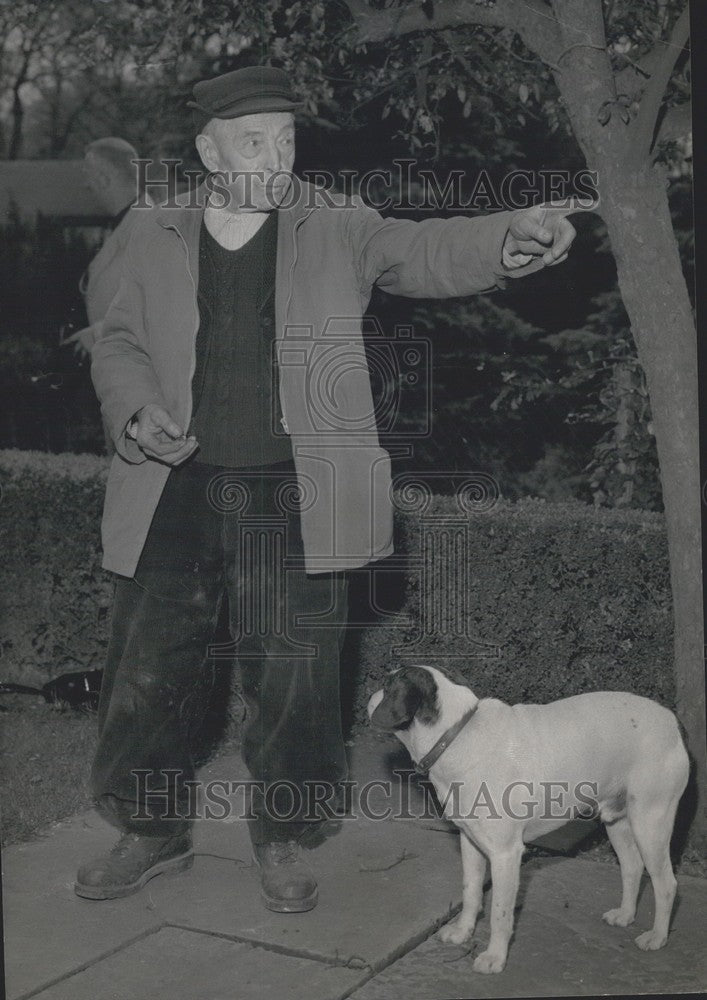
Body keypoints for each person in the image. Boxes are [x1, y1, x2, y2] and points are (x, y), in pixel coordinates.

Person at [75, 66, 578, 913]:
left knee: (299, 679)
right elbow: (114, 335)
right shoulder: (152, 224)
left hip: (296, 490)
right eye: (251, 142)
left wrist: (508, 237)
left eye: (286, 139)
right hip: (173, 486)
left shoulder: (336, 220)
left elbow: (421, 250)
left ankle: (283, 837)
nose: (275, 159)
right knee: (148, 675)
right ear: (206, 149)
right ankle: (151, 831)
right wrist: (135, 409)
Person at [62, 138, 147, 453]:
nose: (86, 185)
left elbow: (159, 307)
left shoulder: (151, 227)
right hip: (117, 383)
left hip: (144, 388)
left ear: (105, 177)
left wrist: (96, 334)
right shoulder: (126, 224)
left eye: (88, 174)